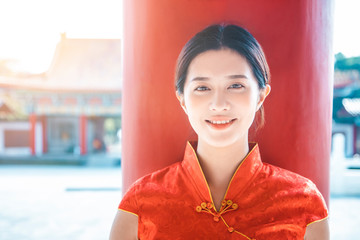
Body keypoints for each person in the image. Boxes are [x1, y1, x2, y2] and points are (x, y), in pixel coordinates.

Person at [110, 24, 329, 240]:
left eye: (236, 86)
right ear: (183, 100)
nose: (219, 104)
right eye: (202, 88)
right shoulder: (140, 203)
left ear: (261, 96)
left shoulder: (305, 204)